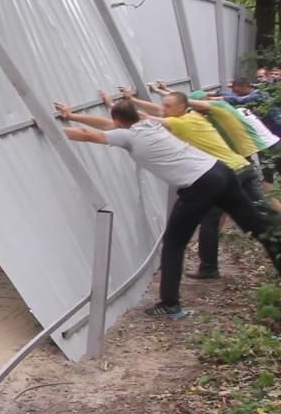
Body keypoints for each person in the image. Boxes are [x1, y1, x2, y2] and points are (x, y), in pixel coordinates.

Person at [54, 98, 281, 317]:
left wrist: (52, 128)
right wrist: (72, 116)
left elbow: (88, 135)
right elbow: (106, 125)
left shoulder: (128, 137)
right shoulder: (149, 124)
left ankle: (169, 304)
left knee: (174, 243)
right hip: (221, 171)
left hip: (199, 184)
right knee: (257, 226)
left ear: (119, 122)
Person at [120, 87, 275, 279]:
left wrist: (119, 107)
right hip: (244, 167)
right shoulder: (195, 118)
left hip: (229, 174)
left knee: (210, 220)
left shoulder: (182, 123)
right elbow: (157, 111)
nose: (163, 108)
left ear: (183, 107)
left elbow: (148, 118)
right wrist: (133, 100)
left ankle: (208, 267)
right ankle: (274, 240)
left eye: (168, 106)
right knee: (263, 211)